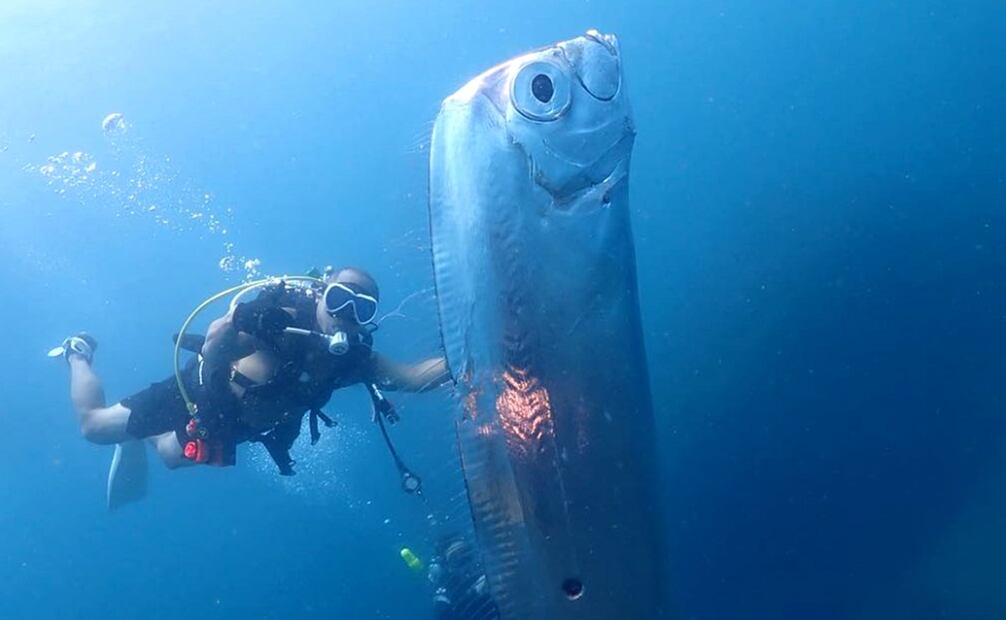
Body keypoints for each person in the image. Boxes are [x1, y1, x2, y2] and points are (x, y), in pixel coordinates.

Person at [54, 267, 448, 506]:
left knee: (172, 458)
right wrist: (243, 319)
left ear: (367, 319)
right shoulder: (281, 319)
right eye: (340, 298)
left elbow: (413, 378)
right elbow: (212, 343)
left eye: (361, 308)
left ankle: (139, 436)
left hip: (234, 426)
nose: (345, 314)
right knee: (93, 426)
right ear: (322, 293)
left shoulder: (354, 360)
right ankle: (78, 352)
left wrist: (477, 352)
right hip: (200, 393)